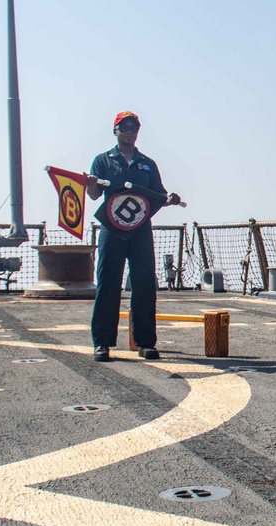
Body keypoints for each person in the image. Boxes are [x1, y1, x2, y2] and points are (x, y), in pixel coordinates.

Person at [86, 111, 180, 362]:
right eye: (124, 126)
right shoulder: (102, 161)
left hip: (140, 230)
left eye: (133, 127)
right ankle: (102, 343)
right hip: (111, 229)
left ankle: (146, 342)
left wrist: (170, 199)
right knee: (107, 284)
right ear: (115, 130)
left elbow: (159, 194)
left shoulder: (147, 164)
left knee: (145, 284)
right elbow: (94, 196)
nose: (129, 131)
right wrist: (90, 184)